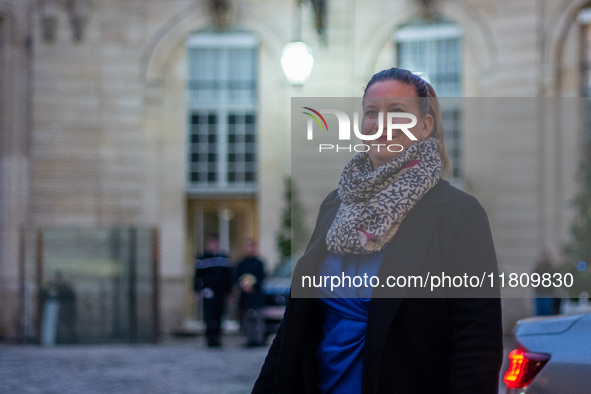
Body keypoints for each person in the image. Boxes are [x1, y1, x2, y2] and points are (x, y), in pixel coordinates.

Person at [253, 68, 503, 393]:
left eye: (397, 112)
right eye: (372, 112)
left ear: (425, 127)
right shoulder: (334, 205)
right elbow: (295, 326)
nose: (381, 123)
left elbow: (477, 341)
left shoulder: (458, 213)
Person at [193, 234, 233, 347]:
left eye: (216, 243)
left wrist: (229, 290)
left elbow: (228, 276)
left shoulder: (224, 258)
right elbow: (197, 276)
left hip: (220, 291)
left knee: (219, 314)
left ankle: (217, 337)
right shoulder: (203, 258)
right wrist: (196, 291)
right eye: (212, 243)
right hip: (208, 290)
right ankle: (209, 337)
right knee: (209, 314)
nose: (214, 246)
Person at [235, 239, 267, 346]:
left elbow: (261, 277)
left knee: (257, 319)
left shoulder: (259, 263)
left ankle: (258, 339)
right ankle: (248, 339)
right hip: (244, 297)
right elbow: (236, 278)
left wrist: (253, 286)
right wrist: (243, 286)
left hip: (256, 296)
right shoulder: (241, 264)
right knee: (245, 319)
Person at [533, 251, 557, 316]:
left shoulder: (550, 267)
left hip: (547, 293)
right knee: (539, 312)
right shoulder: (538, 268)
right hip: (539, 293)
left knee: (547, 312)